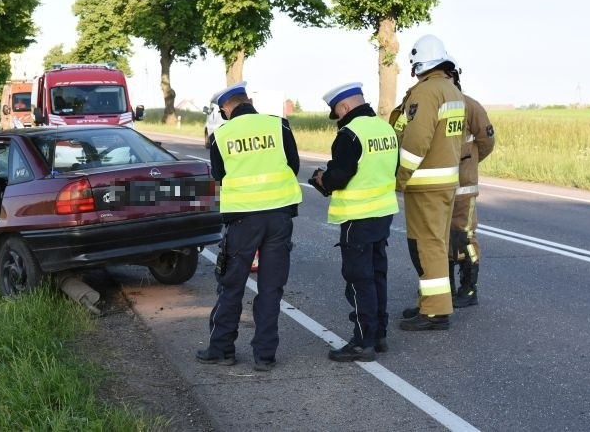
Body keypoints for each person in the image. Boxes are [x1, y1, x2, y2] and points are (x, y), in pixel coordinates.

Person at [196, 81, 302, 372]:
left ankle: (222, 349)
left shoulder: (222, 134)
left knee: (231, 285)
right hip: (280, 216)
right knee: (271, 287)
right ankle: (265, 355)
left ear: (227, 108)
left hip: (243, 219)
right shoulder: (279, 125)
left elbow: (219, 175)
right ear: (248, 101)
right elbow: (293, 166)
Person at [309, 82, 399, 361]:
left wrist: (322, 179)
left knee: (359, 281)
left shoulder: (349, 135)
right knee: (377, 275)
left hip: (357, 217)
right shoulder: (386, 129)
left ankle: (363, 342)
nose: (339, 118)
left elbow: (339, 177)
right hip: (383, 213)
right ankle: (379, 335)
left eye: (338, 112)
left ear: (345, 107)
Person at [389, 34, 465, 331]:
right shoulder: (451, 90)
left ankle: (435, 311)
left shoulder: (426, 92)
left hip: (425, 183)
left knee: (426, 246)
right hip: (445, 181)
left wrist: (400, 177)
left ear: (417, 63)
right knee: (436, 243)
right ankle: (430, 303)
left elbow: (416, 140)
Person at [445, 59, 495, 308]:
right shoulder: (432, 105)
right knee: (440, 239)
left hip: (462, 187)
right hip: (437, 188)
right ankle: (445, 290)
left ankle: (468, 288)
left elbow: (486, 141)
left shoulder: (470, 106)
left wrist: (469, 163)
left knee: (463, 237)